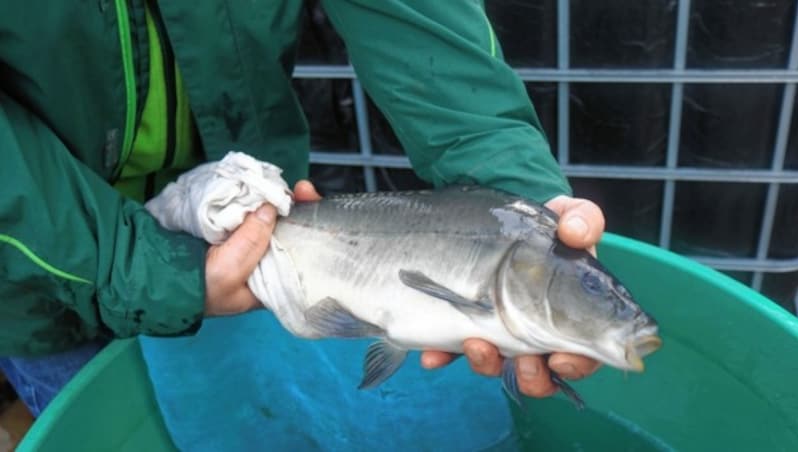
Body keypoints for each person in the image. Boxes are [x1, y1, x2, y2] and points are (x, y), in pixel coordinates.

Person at [0, 0, 605, 418]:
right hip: (41, 277)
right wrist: (143, 271)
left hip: (262, 247)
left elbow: (422, 27)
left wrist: (515, 192)